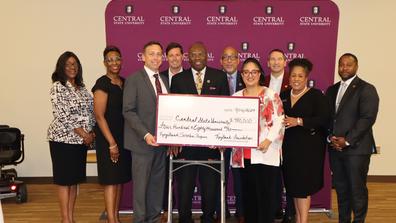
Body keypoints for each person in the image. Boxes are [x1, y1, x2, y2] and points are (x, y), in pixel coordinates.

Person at [170, 42, 229, 223]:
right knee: (185, 187)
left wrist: (222, 139)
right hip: (186, 145)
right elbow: (172, 111)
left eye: (200, 54)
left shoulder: (219, 77)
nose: (197, 58)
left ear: (206, 55)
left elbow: (225, 109)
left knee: (210, 187)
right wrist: (173, 139)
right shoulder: (179, 79)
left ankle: (208, 218)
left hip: (211, 144)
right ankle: (185, 219)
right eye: (193, 54)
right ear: (188, 57)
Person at [326, 53, 379, 223]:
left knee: (357, 190)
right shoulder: (332, 89)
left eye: (349, 65)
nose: (344, 68)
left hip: (357, 150)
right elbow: (328, 117)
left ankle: (359, 221)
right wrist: (330, 137)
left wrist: (347, 140)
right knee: (341, 189)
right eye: (341, 64)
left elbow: (367, 118)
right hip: (336, 149)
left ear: (356, 66)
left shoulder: (366, 89)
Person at [231, 57, 284, 223]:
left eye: (254, 72)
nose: (250, 75)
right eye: (246, 72)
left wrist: (268, 140)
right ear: (242, 75)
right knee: (249, 200)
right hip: (243, 157)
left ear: (260, 74)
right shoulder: (236, 97)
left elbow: (280, 121)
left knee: (266, 200)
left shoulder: (270, 95)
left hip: (266, 154)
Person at [123, 41, 169, 223]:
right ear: (143, 56)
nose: (156, 57)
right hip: (142, 143)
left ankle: (154, 218)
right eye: (152, 54)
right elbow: (128, 111)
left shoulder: (164, 80)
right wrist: (146, 134)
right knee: (141, 188)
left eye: (159, 54)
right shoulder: (134, 79)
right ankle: (140, 220)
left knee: (157, 186)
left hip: (161, 144)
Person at [280, 58, 330, 223]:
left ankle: (303, 220)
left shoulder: (316, 96)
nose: (296, 79)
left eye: (300, 76)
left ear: (306, 78)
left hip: (309, 150)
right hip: (289, 149)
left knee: (303, 188)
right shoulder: (284, 95)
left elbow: (323, 119)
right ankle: (298, 219)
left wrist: (299, 121)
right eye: (293, 75)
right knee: (294, 187)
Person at [47, 51, 95, 223]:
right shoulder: (58, 86)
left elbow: (90, 111)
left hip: (79, 142)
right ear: (61, 67)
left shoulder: (82, 88)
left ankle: (70, 218)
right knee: (64, 181)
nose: (72, 67)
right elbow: (63, 115)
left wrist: (92, 132)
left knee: (74, 181)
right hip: (62, 141)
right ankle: (65, 220)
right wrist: (84, 134)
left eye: (74, 64)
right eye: (67, 64)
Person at [92, 46, 132, 223]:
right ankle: (111, 220)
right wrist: (111, 143)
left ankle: (115, 217)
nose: (114, 62)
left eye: (117, 59)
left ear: (121, 61)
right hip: (108, 139)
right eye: (110, 59)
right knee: (110, 179)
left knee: (119, 179)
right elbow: (99, 116)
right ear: (104, 63)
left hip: (124, 138)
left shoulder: (124, 82)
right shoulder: (102, 84)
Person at [265, 49, 295, 223]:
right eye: (272, 59)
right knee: (272, 176)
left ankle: (289, 212)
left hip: (289, 136)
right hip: (269, 139)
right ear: (268, 63)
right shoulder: (263, 81)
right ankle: (274, 209)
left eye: (279, 59)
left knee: (290, 175)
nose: (276, 62)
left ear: (285, 62)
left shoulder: (293, 81)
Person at [216, 46, 245, 223]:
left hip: (241, 137)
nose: (228, 61)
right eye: (225, 57)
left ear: (238, 60)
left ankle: (242, 211)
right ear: (220, 61)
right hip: (220, 136)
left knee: (241, 178)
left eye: (232, 57)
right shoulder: (215, 78)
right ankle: (221, 210)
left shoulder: (247, 78)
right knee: (220, 176)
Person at [159, 42, 184, 223]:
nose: (175, 58)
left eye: (178, 55)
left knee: (183, 177)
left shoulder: (191, 77)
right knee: (165, 175)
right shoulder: (159, 78)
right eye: (171, 55)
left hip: (185, 135)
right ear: (166, 58)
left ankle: (184, 211)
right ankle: (166, 209)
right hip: (163, 136)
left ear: (183, 57)